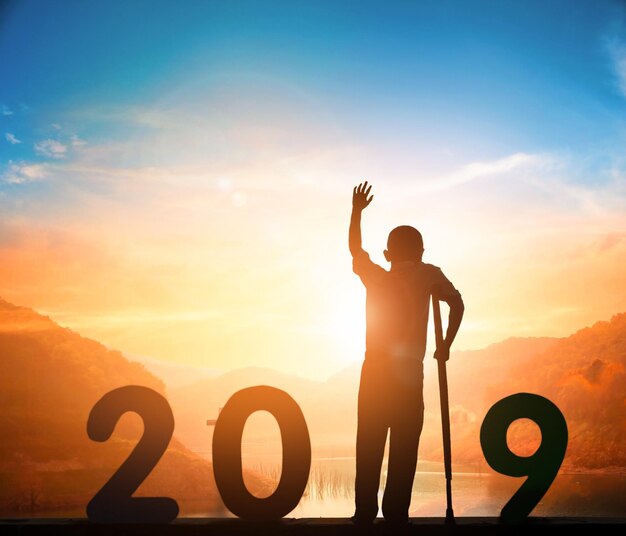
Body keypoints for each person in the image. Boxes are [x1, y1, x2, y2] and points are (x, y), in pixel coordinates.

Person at [349, 182, 464, 525]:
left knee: (368, 440)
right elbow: (457, 303)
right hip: (409, 373)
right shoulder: (430, 273)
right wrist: (445, 346)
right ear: (423, 251)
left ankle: (364, 513)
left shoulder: (374, 275)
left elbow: (355, 249)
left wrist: (356, 211)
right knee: (404, 445)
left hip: (374, 370)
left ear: (387, 255)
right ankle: (396, 512)